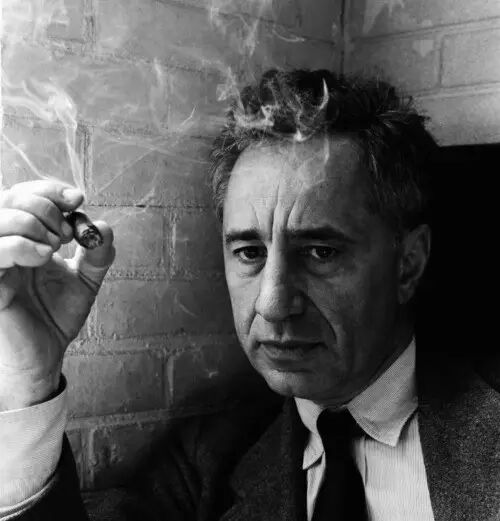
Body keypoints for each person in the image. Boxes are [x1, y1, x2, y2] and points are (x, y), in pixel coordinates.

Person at [0, 70, 498, 521]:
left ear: (408, 264)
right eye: (250, 252)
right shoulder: (210, 457)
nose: (272, 304)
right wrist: (30, 379)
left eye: (321, 252)